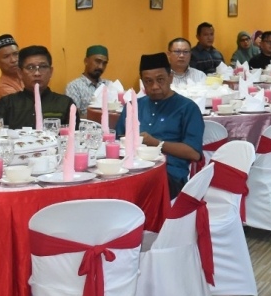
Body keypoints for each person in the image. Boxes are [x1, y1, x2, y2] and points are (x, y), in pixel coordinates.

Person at [117, 52, 204, 198]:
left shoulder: (187, 108)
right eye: (148, 81)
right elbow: (118, 140)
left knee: (136, 191)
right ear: (142, 82)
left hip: (169, 175)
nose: (155, 86)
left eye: (160, 80)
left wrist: (156, 143)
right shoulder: (133, 106)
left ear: (171, 77)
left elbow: (194, 153)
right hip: (132, 170)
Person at [0, 45, 76, 130]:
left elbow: (76, 136)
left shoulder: (65, 104)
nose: (37, 73)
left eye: (43, 67)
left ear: (51, 72)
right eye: (30, 67)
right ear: (20, 73)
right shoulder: (6, 104)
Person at [64, 45, 111, 113]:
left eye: (104, 63)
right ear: (86, 61)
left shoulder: (109, 85)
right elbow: (74, 116)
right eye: (97, 61)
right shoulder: (74, 87)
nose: (101, 67)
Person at [0, 33, 23, 104]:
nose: (13, 60)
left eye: (16, 54)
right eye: (6, 57)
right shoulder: (2, 88)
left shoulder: (25, 78)